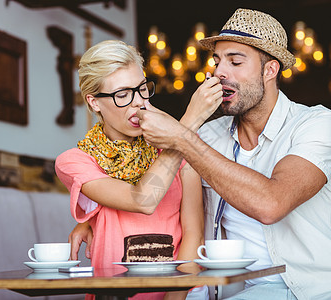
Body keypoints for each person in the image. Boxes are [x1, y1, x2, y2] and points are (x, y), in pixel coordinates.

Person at [69, 9, 331, 300]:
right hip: (232, 290)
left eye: (235, 62)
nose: (219, 72)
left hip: (322, 290)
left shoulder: (317, 124)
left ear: (270, 70)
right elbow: (161, 196)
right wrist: (98, 217)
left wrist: (183, 136)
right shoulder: (207, 135)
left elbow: (271, 204)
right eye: (217, 62)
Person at [55, 40, 221, 300]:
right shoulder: (75, 161)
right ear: (94, 102)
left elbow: (193, 234)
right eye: (122, 95)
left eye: (142, 89)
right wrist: (187, 126)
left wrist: (174, 298)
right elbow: (142, 199)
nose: (139, 103)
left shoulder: (181, 155)